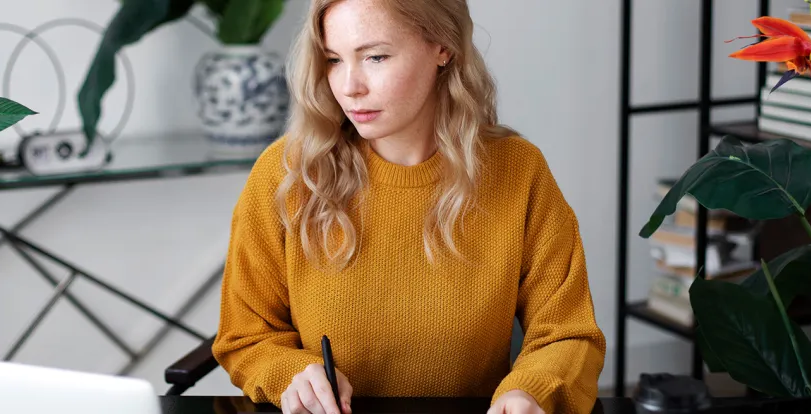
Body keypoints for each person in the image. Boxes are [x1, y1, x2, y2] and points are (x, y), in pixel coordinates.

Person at [210, 0, 606, 413]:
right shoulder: (287, 175)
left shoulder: (518, 171)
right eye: (333, 60)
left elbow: (567, 332)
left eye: (375, 57)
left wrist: (528, 392)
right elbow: (246, 335)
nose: (349, 86)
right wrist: (289, 373)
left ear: (442, 47)